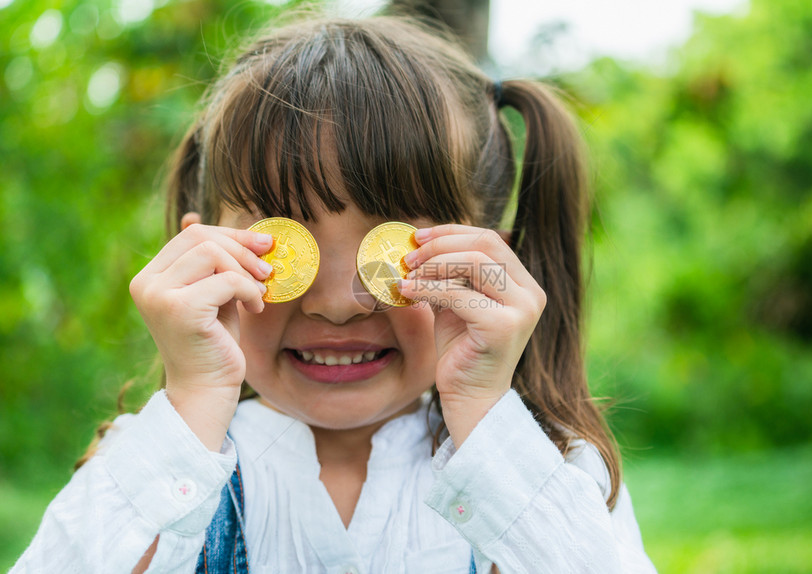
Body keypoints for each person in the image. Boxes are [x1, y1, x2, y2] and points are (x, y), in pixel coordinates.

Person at [12, 14, 657, 574]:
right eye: (283, 242)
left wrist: (488, 423)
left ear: (489, 265)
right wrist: (189, 412)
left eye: (397, 246)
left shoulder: (552, 473)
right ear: (205, 254)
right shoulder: (149, 462)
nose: (337, 302)